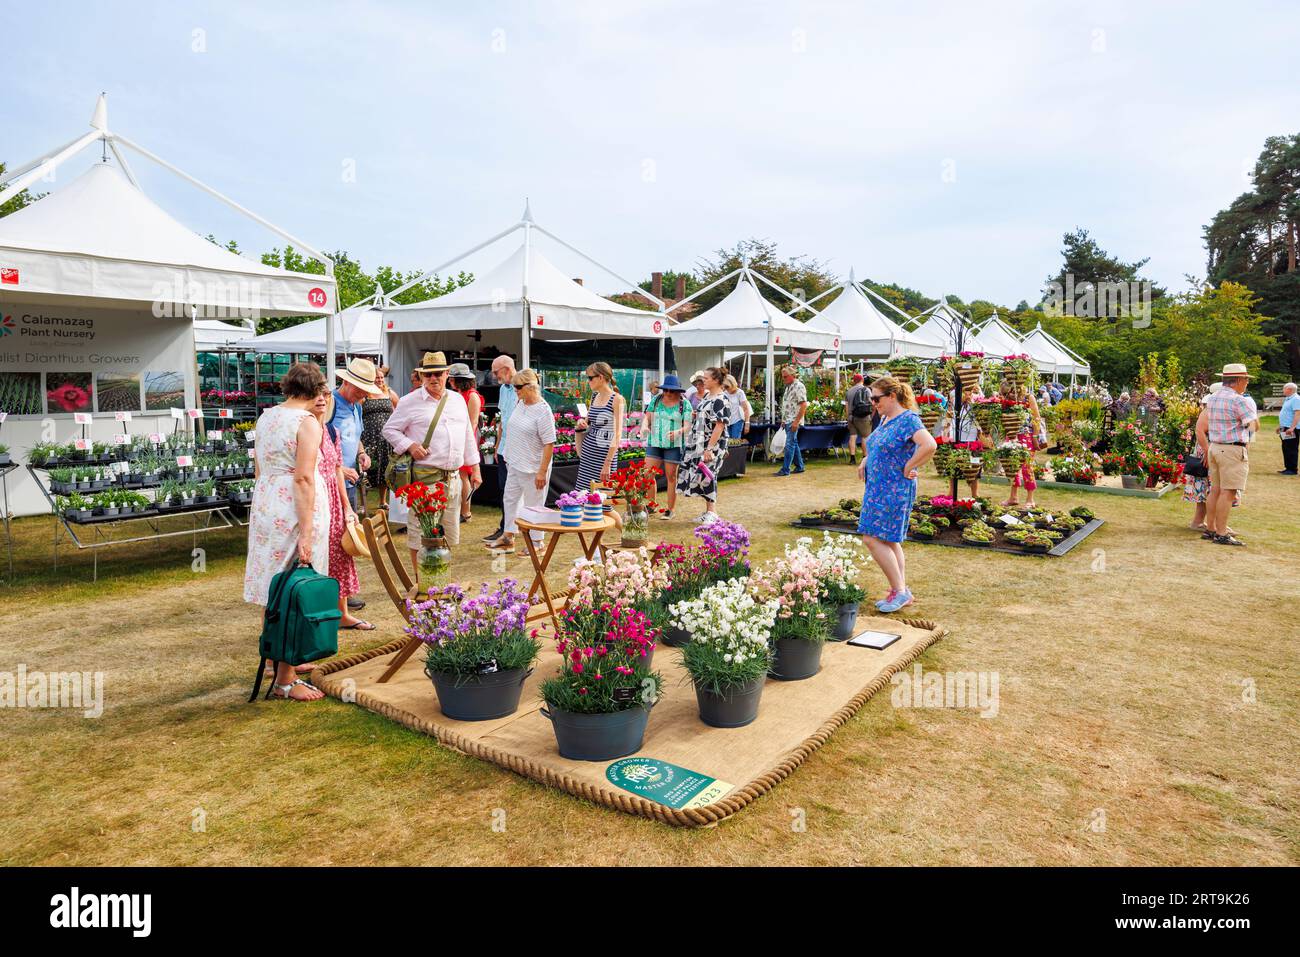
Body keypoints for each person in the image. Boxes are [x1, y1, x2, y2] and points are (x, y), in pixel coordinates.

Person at [243, 362, 331, 702]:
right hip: (294, 507)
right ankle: (285, 679)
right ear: (317, 389)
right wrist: (307, 532)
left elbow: (258, 467)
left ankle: (279, 659)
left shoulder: (267, 416)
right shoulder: (305, 423)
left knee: (274, 589)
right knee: (296, 589)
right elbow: (304, 477)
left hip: (268, 502)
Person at [382, 351, 482, 574]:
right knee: (420, 532)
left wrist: (475, 468)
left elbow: (467, 434)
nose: (433, 378)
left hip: (453, 477)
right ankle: (423, 582)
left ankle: (441, 577)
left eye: (438, 373)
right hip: (425, 477)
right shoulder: (409, 401)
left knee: (447, 531)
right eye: (428, 375)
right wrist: (410, 445)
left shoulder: (456, 399)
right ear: (421, 376)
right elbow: (389, 429)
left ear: (447, 374)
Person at [857, 376, 936, 614]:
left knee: (871, 538)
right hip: (878, 487)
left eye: (876, 398)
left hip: (894, 488)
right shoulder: (886, 419)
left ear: (892, 396)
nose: (873, 403)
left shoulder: (908, 420)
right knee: (889, 539)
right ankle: (900, 590)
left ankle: (899, 590)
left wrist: (909, 466)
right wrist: (866, 459)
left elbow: (929, 445)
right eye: (871, 398)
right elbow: (880, 446)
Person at [314, 390, 372, 631]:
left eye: (325, 395)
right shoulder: (302, 430)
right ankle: (316, 612)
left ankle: (342, 613)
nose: (322, 400)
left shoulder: (330, 431)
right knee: (315, 558)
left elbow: (337, 468)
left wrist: (347, 507)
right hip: (314, 500)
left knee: (340, 554)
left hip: (335, 500)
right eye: (316, 395)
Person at [489, 369, 555, 554]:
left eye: (518, 386)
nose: (515, 390)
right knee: (510, 499)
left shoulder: (543, 411)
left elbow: (549, 443)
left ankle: (537, 543)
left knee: (534, 506)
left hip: (534, 467)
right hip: (515, 463)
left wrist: (542, 471)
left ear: (530, 387)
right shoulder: (520, 403)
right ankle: (508, 535)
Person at [1198, 363, 1255, 547]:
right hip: (1232, 448)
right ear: (1238, 380)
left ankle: (1211, 529)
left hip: (1215, 447)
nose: (1246, 383)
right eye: (1246, 379)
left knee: (1215, 489)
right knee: (1228, 492)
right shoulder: (1239, 400)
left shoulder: (1213, 398)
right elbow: (1252, 424)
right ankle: (1221, 533)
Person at [677, 366, 729, 523]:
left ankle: (712, 513)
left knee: (708, 475)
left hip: (712, 445)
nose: (703, 381)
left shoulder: (721, 399)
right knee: (702, 475)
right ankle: (709, 512)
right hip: (699, 442)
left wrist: (709, 449)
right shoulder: (707, 397)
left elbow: (719, 426)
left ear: (716, 380)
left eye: (706, 378)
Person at [642, 374, 691, 519]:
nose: (668, 393)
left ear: (678, 391)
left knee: (671, 477)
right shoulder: (656, 400)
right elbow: (647, 418)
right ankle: (651, 506)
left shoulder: (685, 404)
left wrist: (678, 431)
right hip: (655, 442)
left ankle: (670, 510)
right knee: (648, 474)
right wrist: (645, 427)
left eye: (672, 391)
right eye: (666, 390)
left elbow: (688, 426)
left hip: (674, 445)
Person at [483, 354, 519, 546]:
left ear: (506, 369)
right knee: (505, 490)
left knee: (513, 492)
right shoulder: (504, 389)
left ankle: (510, 530)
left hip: (517, 449)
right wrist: (497, 447)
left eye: (496, 372)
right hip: (505, 448)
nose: (495, 376)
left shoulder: (522, 387)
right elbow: (502, 420)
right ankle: (506, 528)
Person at [574, 361, 624, 491]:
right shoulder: (595, 396)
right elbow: (587, 422)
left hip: (605, 456)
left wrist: (608, 463)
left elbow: (618, 434)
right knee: (584, 497)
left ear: (600, 377)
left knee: (603, 503)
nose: (588, 381)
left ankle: (633, 512)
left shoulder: (617, 399)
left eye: (590, 378)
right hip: (589, 453)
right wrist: (580, 423)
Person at [448, 363, 483, 524]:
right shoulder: (459, 394)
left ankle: (466, 511)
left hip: (465, 440)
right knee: (460, 475)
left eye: (451, 379)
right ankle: (461, 510)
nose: (449, 382)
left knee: (463, 476)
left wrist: (462, 442)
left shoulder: (472, 395)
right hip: (457, 438)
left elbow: (473, 423)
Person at [1001, 388, 1044, 509]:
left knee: (1027, 467)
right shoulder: (1008, 396)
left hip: (1026, 435)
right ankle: (1013, 497)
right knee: (1012, 466)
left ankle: (1030, 498)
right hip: (1012, 435)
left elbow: (1036, 418)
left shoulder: (1028, 397)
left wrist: (1035, 436)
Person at [361, 364, 400, 493]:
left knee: (384, 467)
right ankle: (363, 501)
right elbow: (355, 411)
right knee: (367, 467)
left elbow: (400, 408)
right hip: (369, 435)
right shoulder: (365, 394)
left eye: (382, 377)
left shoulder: (388, 392)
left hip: (386, 438)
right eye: (377, 378)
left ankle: (383, 501)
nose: (380, 380)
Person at [775, 365, 808, 477]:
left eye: (785, 377)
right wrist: (784, 420)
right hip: (789, 420)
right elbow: (787, 405)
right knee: (793, 443)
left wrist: (796, 422)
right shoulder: (788, 387)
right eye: (783, 377)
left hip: (794, 420)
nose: (783, 379)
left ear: (793, 375)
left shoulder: (799, 386)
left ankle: (785, 469)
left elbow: (803, 405)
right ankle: (800, 466)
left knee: (789, 445)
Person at [844, 373, 872, 465]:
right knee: (865, 437)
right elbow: (871, 403)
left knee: (852, 436)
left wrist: (848, 417)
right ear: (862, 380)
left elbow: (847, 406)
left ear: (854, 381)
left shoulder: (849, 391)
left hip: (852, 417)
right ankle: (865, 457)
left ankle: (852, 458)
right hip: (863, 417)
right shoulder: (866, 390)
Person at [1277, 382, 1299, 475]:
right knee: (1286, 447)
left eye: (1284, 389)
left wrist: (1292, 427)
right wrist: (1280, 426)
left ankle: (1292, 469)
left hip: (1291, 428)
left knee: (1291, 448)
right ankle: (1288, 468)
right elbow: (1286, 413)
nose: (1283, 390)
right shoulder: (1288, 399)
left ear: (1290, 389)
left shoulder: (1296, 399)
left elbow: (1298, 414)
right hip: (1285, 427)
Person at [722, 374, 752, 440]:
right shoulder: (724, 392)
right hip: (727, 421)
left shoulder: (740, 393)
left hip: (737, 421)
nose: (726, 388)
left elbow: (746, 409)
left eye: (727, 386)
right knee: (726, 442)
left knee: (735, 442)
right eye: (724, 386)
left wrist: (747, 423)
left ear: (732, 384)